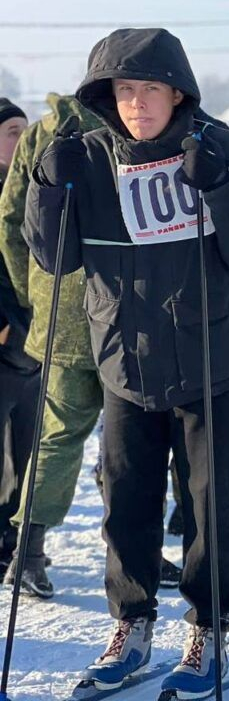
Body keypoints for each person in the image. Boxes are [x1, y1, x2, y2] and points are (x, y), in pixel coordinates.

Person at [23, 27, 229, 698]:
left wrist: (221, 190)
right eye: (123, 89)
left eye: (150, 88)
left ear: (178, 91)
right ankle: (131, 623)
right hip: (124, 363)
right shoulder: (86, 156)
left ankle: (209, 626)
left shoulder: (219, 145)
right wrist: (46, 185)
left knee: (209, 508)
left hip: (211, 360)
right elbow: (56, 258)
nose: (136, 102)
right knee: (126, 507)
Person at [0, 93, 105, 599]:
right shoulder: (139, 129)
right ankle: (136, 551)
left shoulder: (41, 132)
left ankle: (28, 552)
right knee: (138, 434)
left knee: (58, 435)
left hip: (58, 306)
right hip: (128, 305)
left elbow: (9, 221)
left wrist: (32, 293)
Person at [0, 97, 40, 579]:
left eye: (24, 130)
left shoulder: (33, 188)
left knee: (28, 448)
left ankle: (19, 537)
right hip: (6, 334)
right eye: (12, 130)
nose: (21, 138)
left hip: (33, 339)